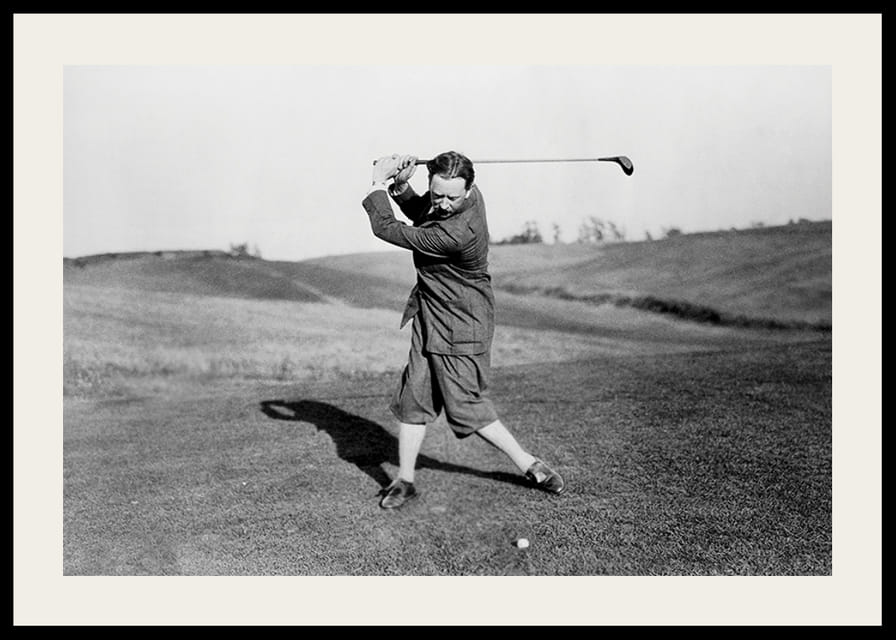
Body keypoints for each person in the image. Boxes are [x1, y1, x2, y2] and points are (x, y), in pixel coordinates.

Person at [361, 150, 566, 509]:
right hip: (431, 315)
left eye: (450, 197)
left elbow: (388, 228)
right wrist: (402, 184)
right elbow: (426, 212)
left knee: (465, 406)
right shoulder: (457, 202)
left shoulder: (457, 233)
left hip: (461, 324)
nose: (441, 203)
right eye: (436, 193)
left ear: (470, 189)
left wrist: (379, 180)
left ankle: (529, 464)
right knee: (414, 399)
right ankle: (405, 480)